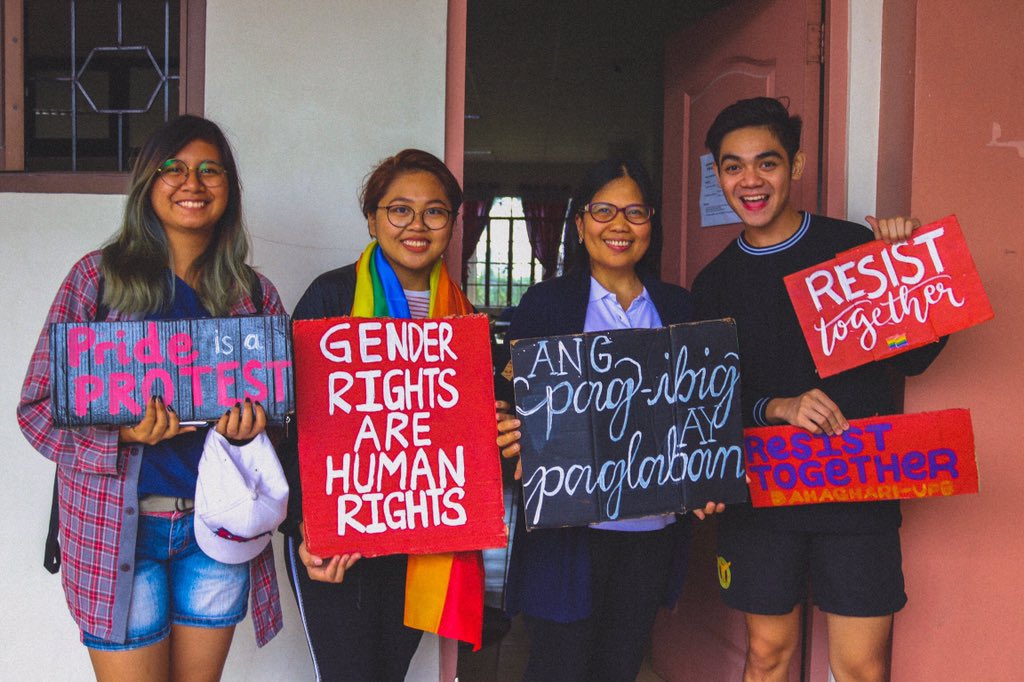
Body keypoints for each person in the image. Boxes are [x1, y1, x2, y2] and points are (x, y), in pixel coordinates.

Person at [17, 115, 286, 681]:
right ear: (148, 183)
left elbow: (286, 416)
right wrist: (123, 434)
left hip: (216, 531)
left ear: (229, 189)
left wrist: (253, 428)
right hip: (117, 533)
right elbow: (37, 410)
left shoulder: (252, 295)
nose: (193, 182)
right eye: (174, 168)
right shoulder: (96, 280)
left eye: (210, 170)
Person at [692, 96, 947, 682]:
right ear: (718, 175)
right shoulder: (712, 285)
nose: (750, 181)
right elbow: (708, 402)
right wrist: (776, 406)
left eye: (768, 163)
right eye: (733, 166)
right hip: (762, 490)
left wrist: (905, 266)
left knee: (860, 667)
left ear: (797, 166)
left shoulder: (854, 250)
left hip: (857, 486)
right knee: (766, 656)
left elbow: (919, 358)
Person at [494, 158, 725, 682]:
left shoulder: (678, 306)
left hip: (652, 529)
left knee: (619, 665)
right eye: (603, 210)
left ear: (651, 226)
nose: (619, 225)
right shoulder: (545, 305)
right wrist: (508, 429)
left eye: (635, 212)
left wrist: (708, 472)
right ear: (579, 225)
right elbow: (508, 398)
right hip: (569, 530)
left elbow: (702, 410)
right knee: (559, 665)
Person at [279, 148, 481, 681]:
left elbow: (469, 434)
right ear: (372, 218)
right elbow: (290, 419)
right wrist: (307, 525)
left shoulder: (464, 319)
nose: (417, 225)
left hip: (418, 542)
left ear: (452, 223)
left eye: (435, 211)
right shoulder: (331, 296)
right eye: (399, 209)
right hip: (335, 541)